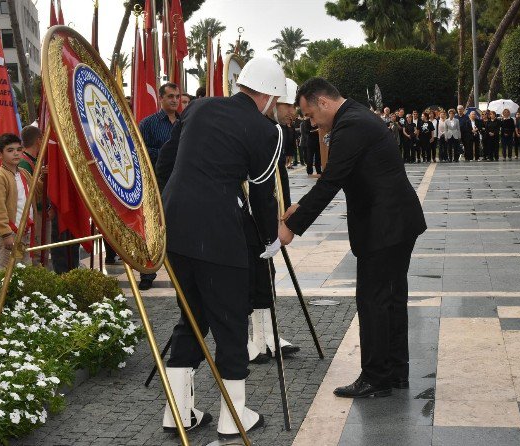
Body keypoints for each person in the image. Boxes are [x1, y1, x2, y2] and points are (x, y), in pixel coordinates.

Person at [160, 57, 285, 438]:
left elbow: (166, 159)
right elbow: (264, 196)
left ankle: (177, 413)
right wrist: (269, 240)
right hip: (218, 234)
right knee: (231, 322)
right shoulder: (267, 131)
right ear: (267, 95)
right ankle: (234, 417)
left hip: (175, 227)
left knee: (191, 317)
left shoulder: (199, 106)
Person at [279, 77, 427, 398]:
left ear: (323, 102)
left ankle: (376, 377)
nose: (309, 121)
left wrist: (294, 223)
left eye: (309, 114)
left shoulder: (351, 125)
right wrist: (300, 207)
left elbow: (331, 179)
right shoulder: (356, 116)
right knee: (390, 299)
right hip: (395, 221)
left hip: (385, 226)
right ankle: (395, 371)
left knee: (373, 300)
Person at [246, 77, 301, 363]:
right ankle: (251, 339)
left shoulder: (277, 130)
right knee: (251, 280)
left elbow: (278, 177)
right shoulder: (261, 130)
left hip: (269, 215)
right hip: (249, 217)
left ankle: (266, 335)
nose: (294, 112)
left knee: (265, 277)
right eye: (289, 105)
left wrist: (285, 213)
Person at [138, 82, 181, 290]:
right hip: (157, 183)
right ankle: (148, 274)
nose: (175, 100)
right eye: (170, 96)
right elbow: (141, 151)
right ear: (161, 99)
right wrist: (166, 153)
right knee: (154, 227)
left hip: (183, 183)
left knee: (180, 228)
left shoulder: (185, 122)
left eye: (177, 96)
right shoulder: (148, 124)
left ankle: (181, 272)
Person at [0, 133, 38, 268]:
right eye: (10, 150)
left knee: (26, 268)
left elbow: (35, 194)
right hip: (11, 232)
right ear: (0, 154)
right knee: (10, 270)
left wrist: (42, 177)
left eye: (19, 150)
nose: (16, 153)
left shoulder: (23, 173)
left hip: (25, 230)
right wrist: (6, 233)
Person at [19, 125, 51, 266]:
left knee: (43, 251)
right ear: (39, 140)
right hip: (35, 212)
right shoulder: (23, 163)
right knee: (37, 252)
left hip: (41, 210)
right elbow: (30, 191)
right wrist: (42, 179)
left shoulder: (34, 159)